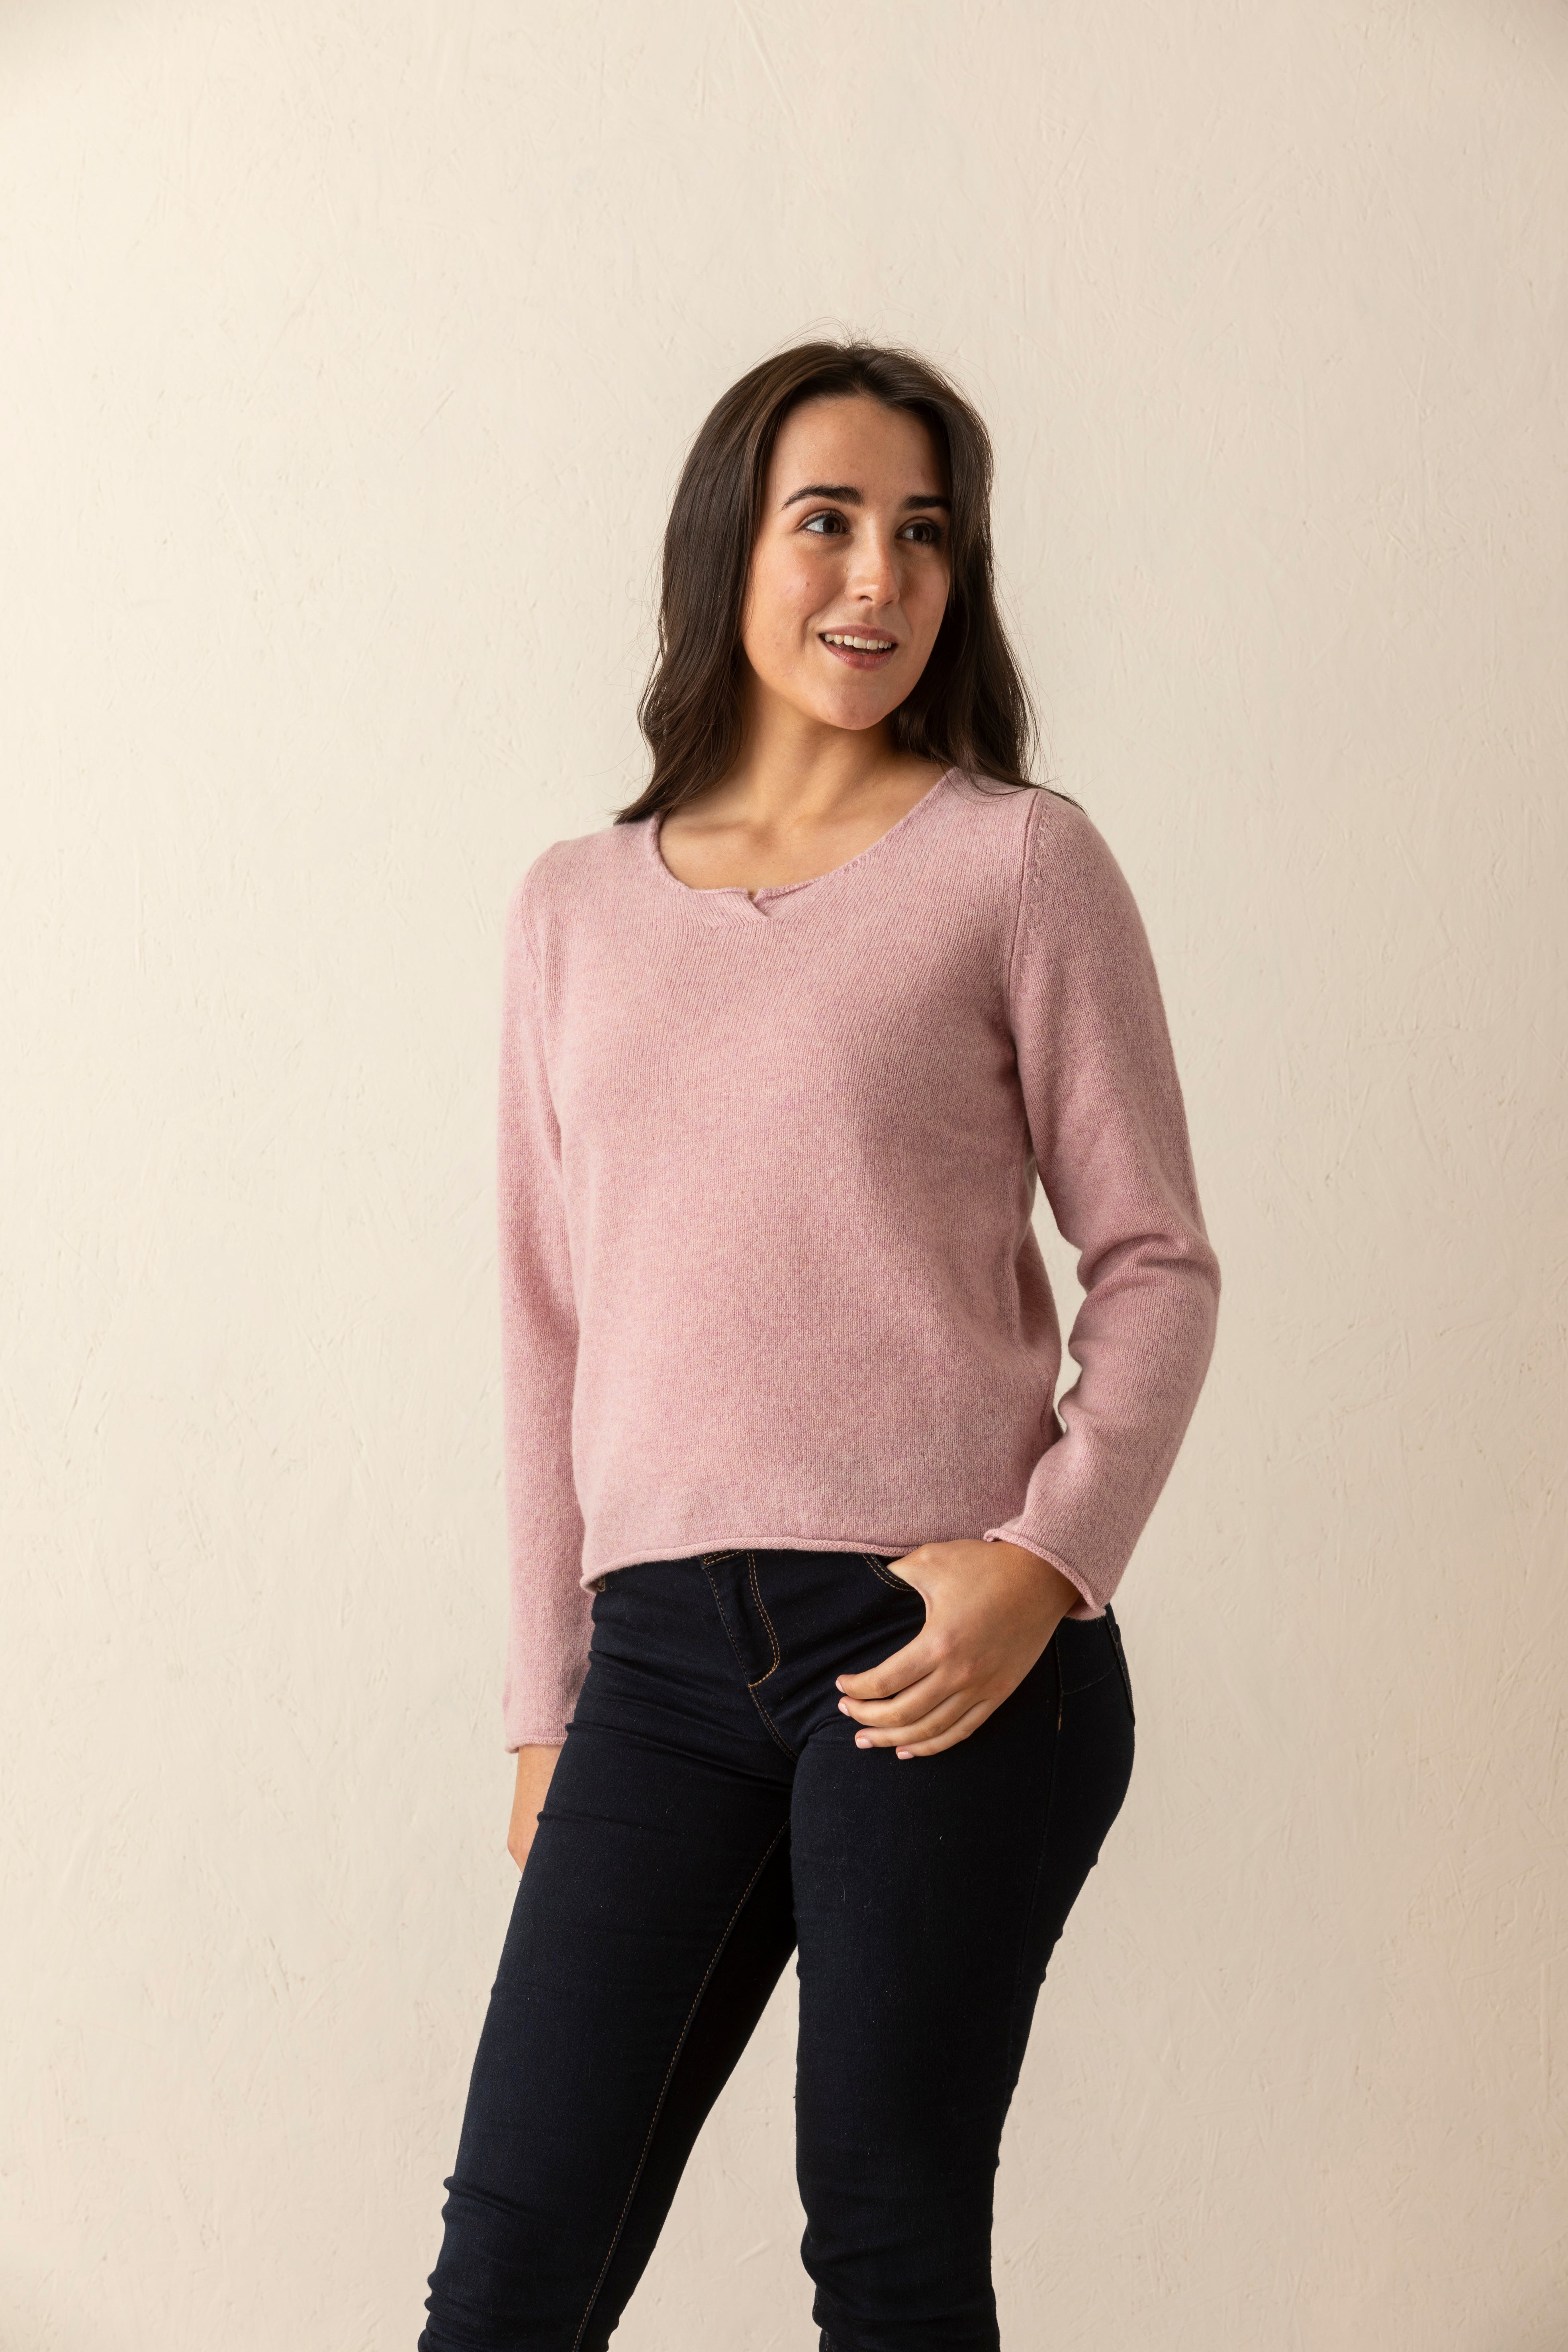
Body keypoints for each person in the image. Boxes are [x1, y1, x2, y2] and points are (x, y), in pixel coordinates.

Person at [417, 339, 1221, 2352]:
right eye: (829, 521)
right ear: (730, 547)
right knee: (510, 2267)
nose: (880, 577)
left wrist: (1044, 1564)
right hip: (656, 1668)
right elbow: (544, 1318)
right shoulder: (571, 909)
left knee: (885, 2245)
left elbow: (1154, 1258)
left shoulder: (1015, 862)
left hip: (939, 1650)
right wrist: (546, 1700)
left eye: (924, 534)